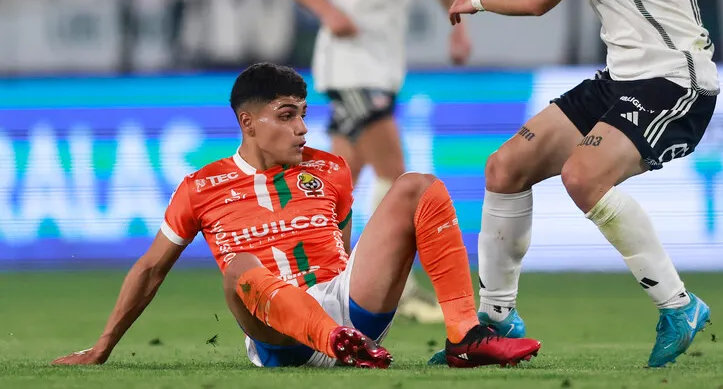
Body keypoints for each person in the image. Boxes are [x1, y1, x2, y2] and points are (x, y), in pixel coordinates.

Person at [433, 0, 719, 368]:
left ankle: (678, 305)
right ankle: (494, 320)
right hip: (625, 76)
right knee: (504, 168)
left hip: (674, 80)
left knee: (582, 174)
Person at [52, 63, 540, 369]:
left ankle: (464, 337)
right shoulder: (200, 187)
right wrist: (103, 346)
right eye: (286, 116)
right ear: (248, 122)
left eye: (303, 113)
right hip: (278, 334)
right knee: (239, 267)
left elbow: (345, 247)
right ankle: (337, 343)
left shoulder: (331, 169)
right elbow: (150, 268)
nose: (303, 128)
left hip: (348, 307)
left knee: (417, 185)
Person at [273, 0, 471, 323]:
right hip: (347, 65)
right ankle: (393, 284)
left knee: (337, 179)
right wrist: (325, 9)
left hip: (386, 67)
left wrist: (458, 26)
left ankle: (325, 277)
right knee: (396, 171)